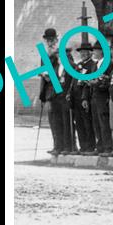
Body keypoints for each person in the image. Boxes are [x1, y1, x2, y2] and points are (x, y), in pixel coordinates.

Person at [37, 28, 73, 156]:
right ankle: (57, 145)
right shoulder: (45, 55)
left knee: (64, 120)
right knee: (54, 120)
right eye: (48, 40)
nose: (50, 42)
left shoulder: (64, 53)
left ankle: (68, 146)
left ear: (57, 39)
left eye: (52, 40)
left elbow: (69, 70)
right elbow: (43, 72)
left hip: (62, 90)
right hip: (50, 92)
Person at [70, 44, 96, 154]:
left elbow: (89, 82)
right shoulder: (78, 66)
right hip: (76, 97)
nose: (83, 54)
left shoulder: (92, 65)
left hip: (85, 97)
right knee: (79, 123)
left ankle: (90, 146)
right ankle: (83, 146)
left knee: (87, 122)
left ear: (90, 53)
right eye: (81, 52)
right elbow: (73, 81)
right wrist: (69, 93)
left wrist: (85, 97)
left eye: (85, 52)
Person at [88, 42, 113, 156]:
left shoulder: (108, 63)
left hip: (103, 97)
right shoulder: (95, 64)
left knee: (104, 123)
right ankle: (100, 147)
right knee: (96, 123)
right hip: (94, 96)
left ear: (101, 51)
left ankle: (107, 147)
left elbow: (109, 81)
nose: (93, 52)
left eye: (95, 50)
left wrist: (97, 83)